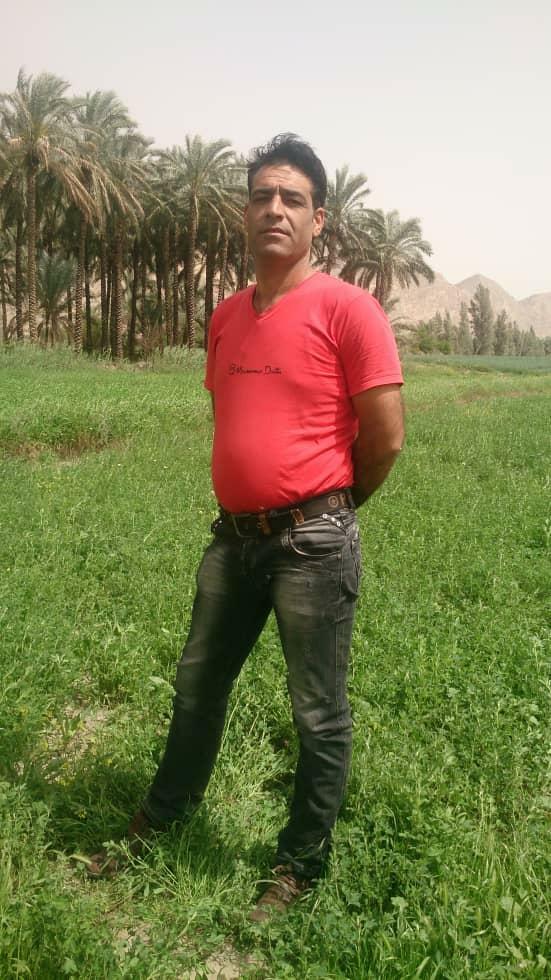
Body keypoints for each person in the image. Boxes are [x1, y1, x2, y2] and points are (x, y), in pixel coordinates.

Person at [86, 134, 404, 921]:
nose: (274, 209)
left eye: (292, 198)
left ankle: (298, 867)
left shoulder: (348, 309)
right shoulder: (226, 316)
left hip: (313, 543)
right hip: (231, 539)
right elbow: (231, 415)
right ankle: (161, 821)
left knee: (316, 713)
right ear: (243, 211)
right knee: (197, 687)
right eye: (262, 195)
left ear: (318, 219)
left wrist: (329, 507)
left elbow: (386, 437)